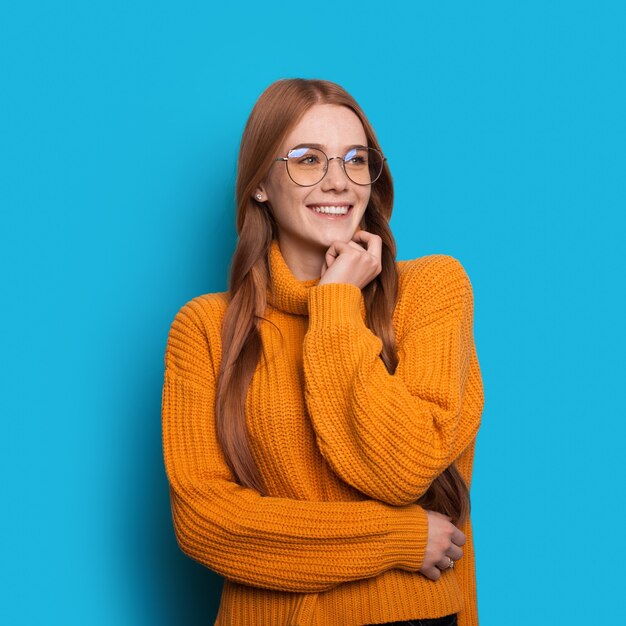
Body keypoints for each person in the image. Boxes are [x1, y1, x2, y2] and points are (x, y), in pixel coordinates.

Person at [161, 78, 484, 626]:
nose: (338, 182)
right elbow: (206, 521)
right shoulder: (205, 329)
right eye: (308, 159)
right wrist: (398, 537)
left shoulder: (432, 290)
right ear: (260, 182)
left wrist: (335, 302)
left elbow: (402, 468)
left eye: (355, 160)